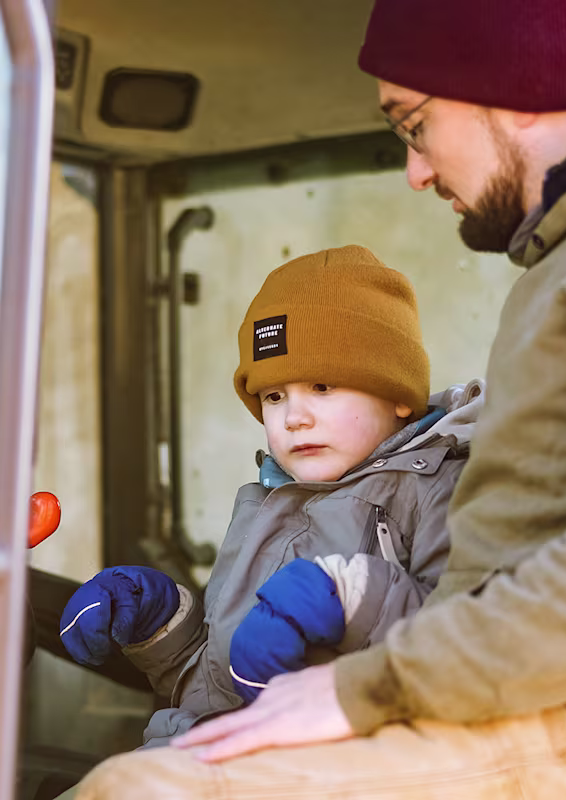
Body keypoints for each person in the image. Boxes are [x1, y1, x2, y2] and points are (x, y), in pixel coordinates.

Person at [72, 0, 566, 798]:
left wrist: (365, 687)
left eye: (415, 125)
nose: (415, 171)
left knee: (147, 793)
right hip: (531, 691)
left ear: (513, 86)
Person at [58, 244, 481, 746]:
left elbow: (469, 644)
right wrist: (160, 623)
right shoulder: (266, 499)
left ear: (398, 395)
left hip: (334, 764)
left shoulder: (443, 487)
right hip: (194, 753)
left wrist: (349, 599)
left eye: (322, 387)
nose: (293, 416)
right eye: (274, 396)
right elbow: (213, 690)